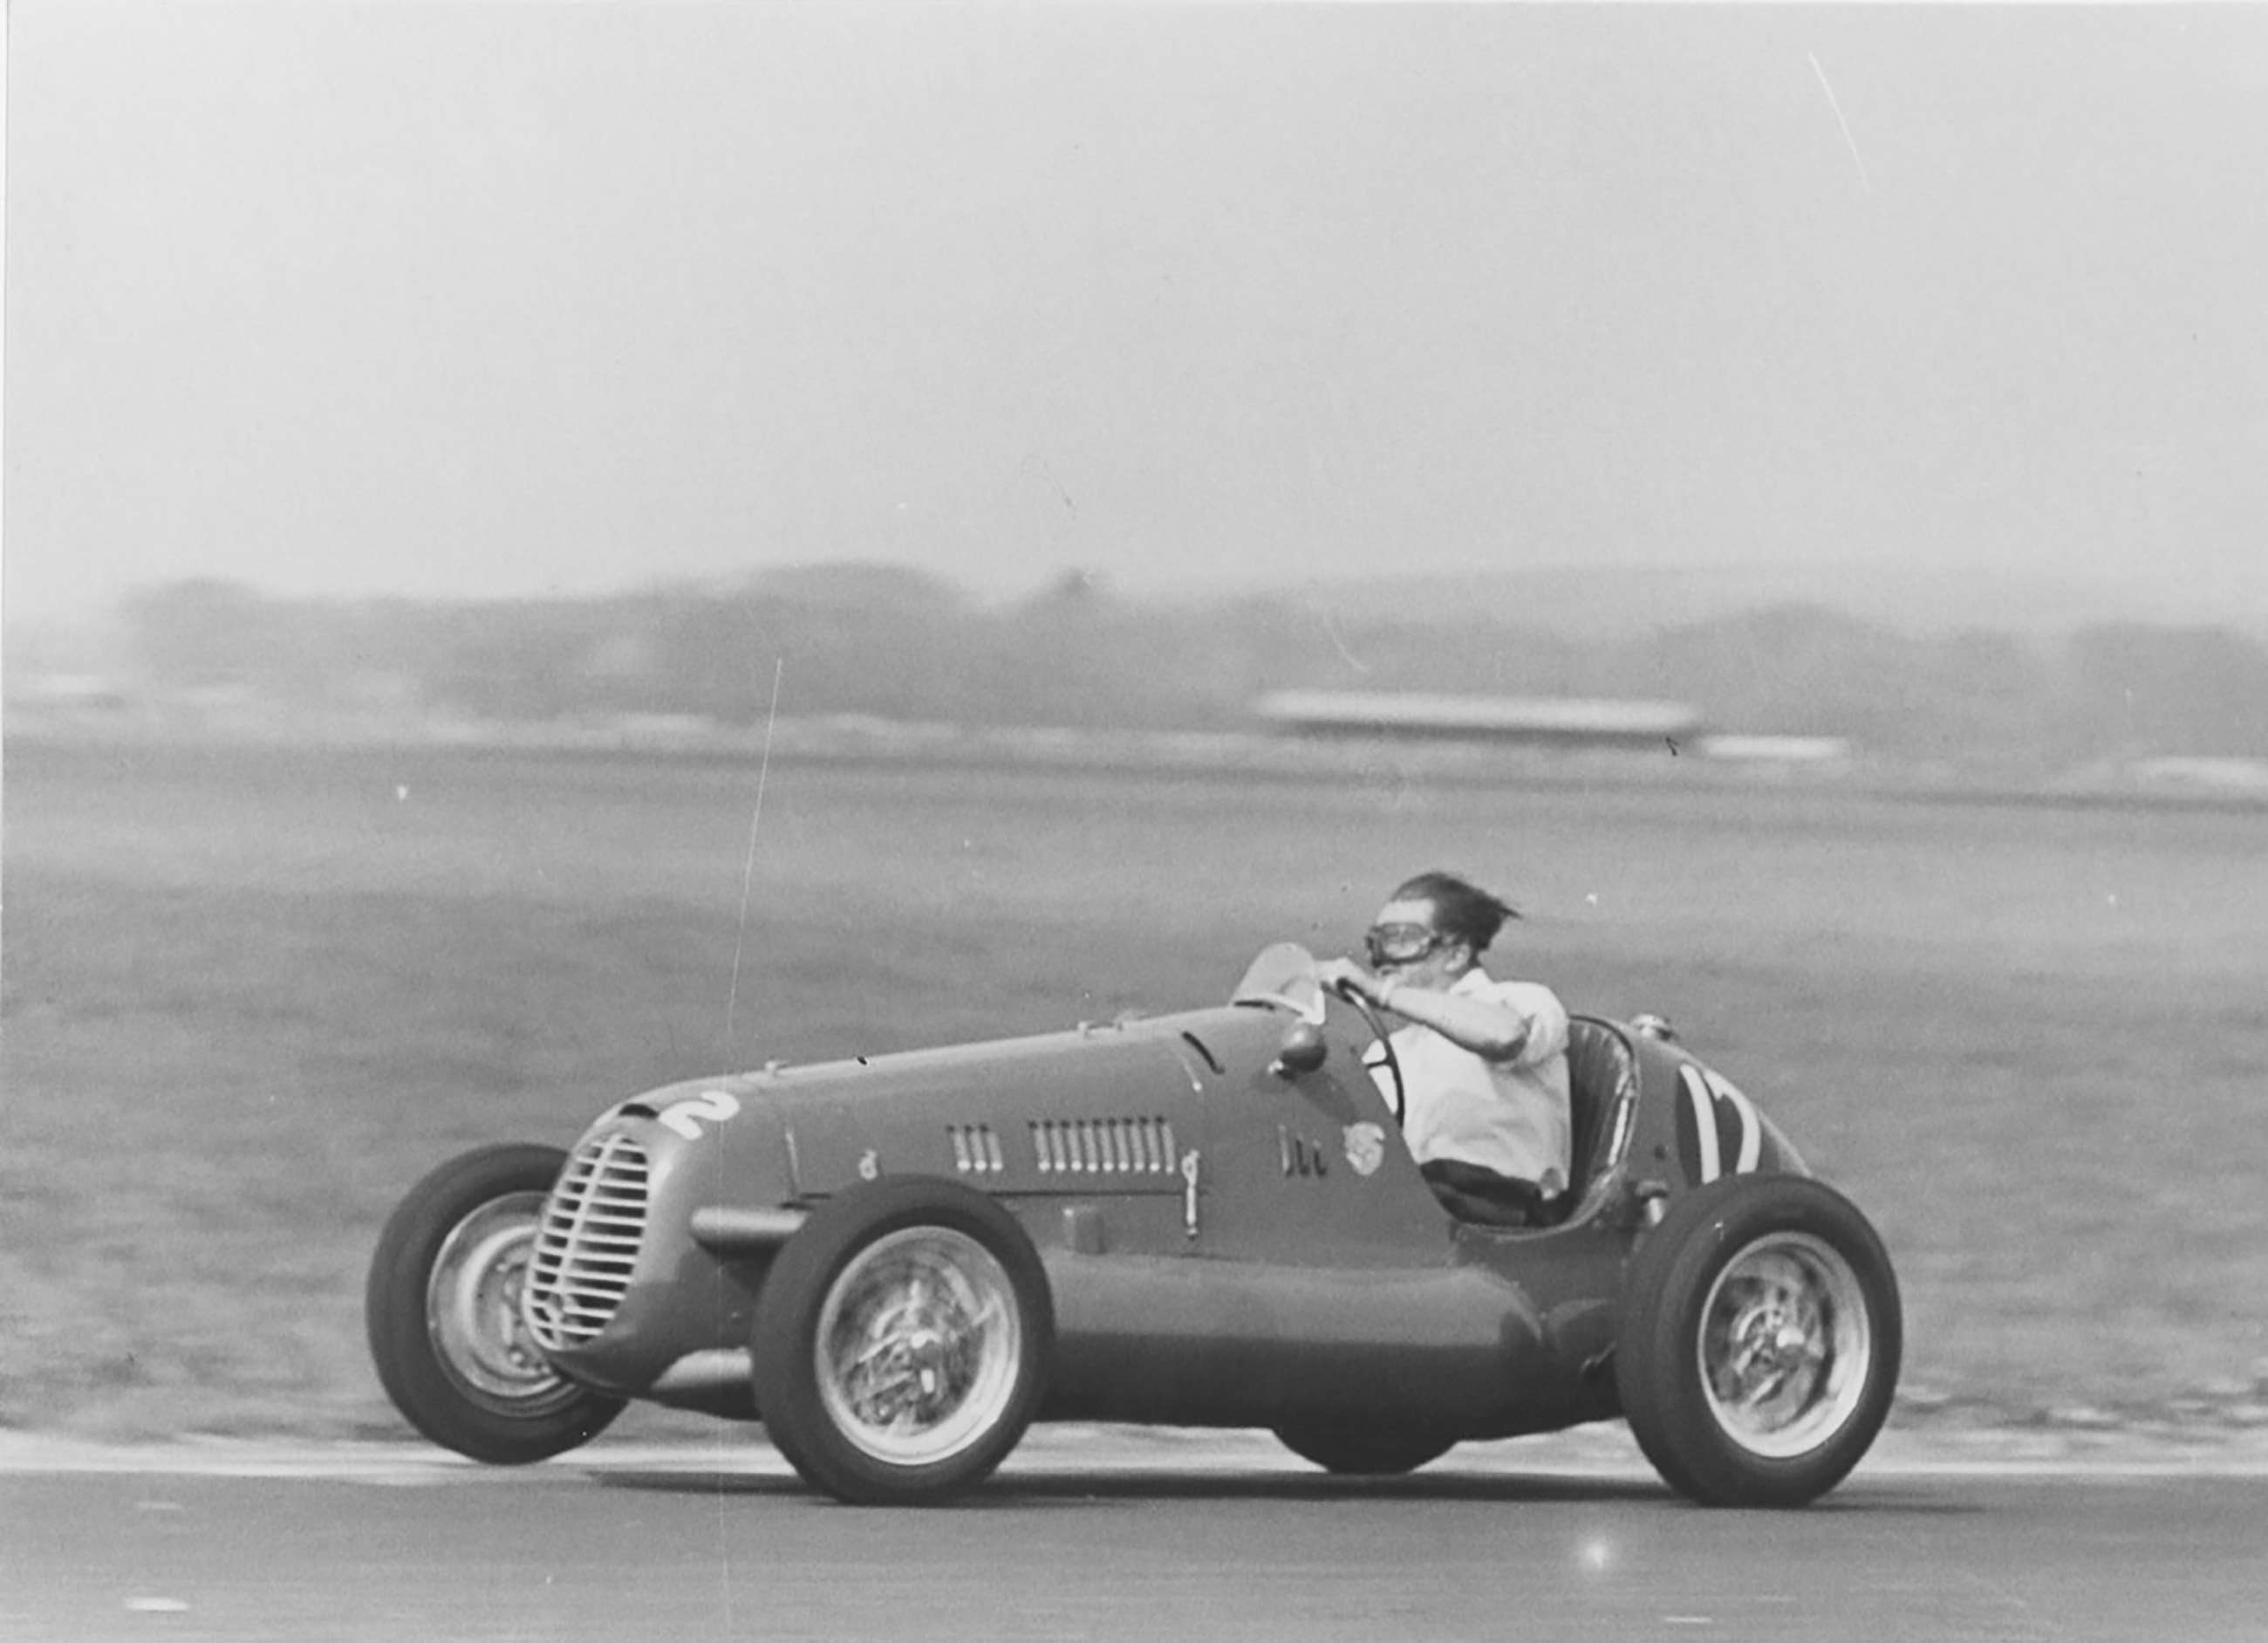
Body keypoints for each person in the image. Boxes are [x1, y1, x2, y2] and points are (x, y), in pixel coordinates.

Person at [1315, 871, 1572, 1228]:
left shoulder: (1518, 1000)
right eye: (1377, 942)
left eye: (1402, 940)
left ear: (1456, 954)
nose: (1381, 959)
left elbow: (1505, 1036)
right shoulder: (1389, 1051)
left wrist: (1381, 993)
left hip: (1503, 1204)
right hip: (1424, 1206)